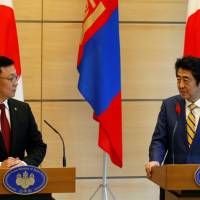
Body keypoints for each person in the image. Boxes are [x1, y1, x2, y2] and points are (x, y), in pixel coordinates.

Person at [145, 56, 200, 200]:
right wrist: (155, 160)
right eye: (178, 79)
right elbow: (159, 140)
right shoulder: (169, 106)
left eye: (186, 80)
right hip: (173, 186)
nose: (180, 85)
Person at [0, 56, 54, 200]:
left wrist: (22, 164)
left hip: (20, 186)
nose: (16, 83)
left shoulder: (22, 109)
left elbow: (38, 146)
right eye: (11, 78)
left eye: (16, 77)